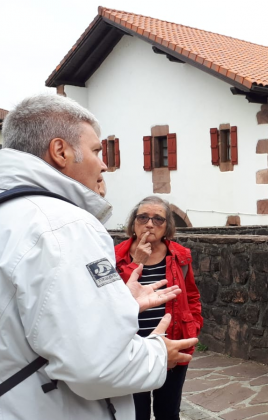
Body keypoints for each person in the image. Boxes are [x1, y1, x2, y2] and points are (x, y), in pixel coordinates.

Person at [0, 94, 197, 420]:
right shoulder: (65, 226)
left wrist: (121, 305)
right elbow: (98, 365)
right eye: (95, 151)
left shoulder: (13, 215)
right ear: (60, 151)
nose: (104, 164)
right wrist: (158, 353)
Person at [115, 196, 202, 420]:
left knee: (168, 412)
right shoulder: (115, 256)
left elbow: (191, 295)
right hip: (131, 348)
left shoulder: (179, 255)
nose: (150, 224)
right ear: (133, 223)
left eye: (158, 219)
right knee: (136, 413)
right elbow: (115, 298)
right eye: (143, 217)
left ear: (167, 227)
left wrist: (193, 326)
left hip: (170, 345)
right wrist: (137, 262)